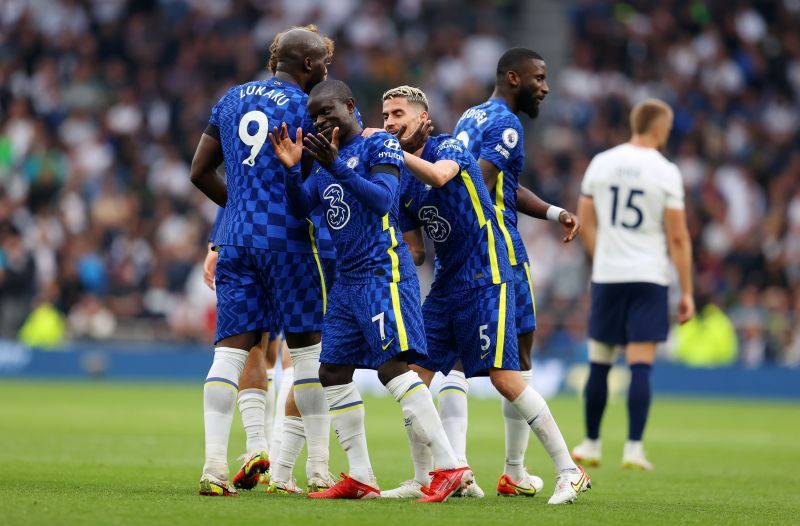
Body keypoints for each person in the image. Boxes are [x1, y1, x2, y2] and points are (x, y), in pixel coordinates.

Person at [376, 85, 590, 504]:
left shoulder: (450, 148)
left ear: (423, 118)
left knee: (504, 378)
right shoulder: (400, 180)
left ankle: (570, 470)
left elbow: (438, 177)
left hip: (487, 275)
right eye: (384, 117)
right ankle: (427, 476)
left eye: (398, 114)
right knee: (412, 379)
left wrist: (387, 150)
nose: (389, 123)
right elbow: (416, 250)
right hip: (446, 284)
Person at [270, 79, 472, 502]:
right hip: (347, 279)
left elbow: (383, 200)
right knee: (332, 371)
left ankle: (451, 466)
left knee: (393, 367)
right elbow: (302, 206)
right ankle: (361, 476)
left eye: (327, 112)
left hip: (383, 271)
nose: (321, 121)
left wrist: (336, 166)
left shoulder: (378, 145)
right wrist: (293, 168)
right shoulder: (330, 155)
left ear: (349, 105)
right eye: (315, 117)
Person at [189, 26, 336, 497]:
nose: (327, 71)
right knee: (309, 355)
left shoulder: (230, 99)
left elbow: (199, 171)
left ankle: (213, 468)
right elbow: (314, 181)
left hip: (235, 240)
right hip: (291, 243)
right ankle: (315, 470)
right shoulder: (308, 108)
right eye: (324, 64)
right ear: (309, 65)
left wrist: (237, 213)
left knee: (229, 354)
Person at [452, 47, 581, 496]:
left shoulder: (471, 117)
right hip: (499, 255)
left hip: (468, 256)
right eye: (539, 78)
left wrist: (552, 211)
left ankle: (505, 472)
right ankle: (525, 468)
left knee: (498, 360)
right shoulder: (507, 124)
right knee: (514, 363)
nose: (545, 87)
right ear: (513, 78)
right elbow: (473, 185)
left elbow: (502, 183)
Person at [572, 98, 695, 470]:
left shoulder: (602, 162)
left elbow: (584, 220)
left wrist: (601, 254)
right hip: (649, 277)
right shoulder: (666, 171)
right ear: (659, 129)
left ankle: (591, 444)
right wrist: (687, 290)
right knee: (641, 363)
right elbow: (677, 237)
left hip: (608, 276)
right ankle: (634, 449)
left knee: (600, 361)